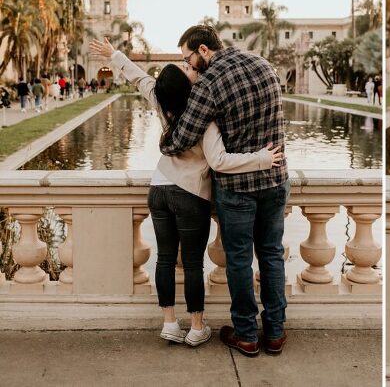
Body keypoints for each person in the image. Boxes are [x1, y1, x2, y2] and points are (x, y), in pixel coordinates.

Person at [90, 36, 283, 348]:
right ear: (188, 85)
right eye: (187, 69)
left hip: (159, 188)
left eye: (187, 63)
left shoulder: (160, 102)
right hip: (190, 193)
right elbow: (219, 160)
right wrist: (261, 158)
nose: (190, 68)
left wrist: (115, 55)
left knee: (165, 258)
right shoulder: (203, 115)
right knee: (195, 263)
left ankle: (169, 323)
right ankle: (196, 327)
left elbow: (139, 78)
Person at [159, 25, 289, 358]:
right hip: (276, 180)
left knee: (240, 261)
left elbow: (185, 135)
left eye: (188, 57)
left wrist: (164, 142)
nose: (188, 64)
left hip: (238, 190)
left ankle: (247, 334)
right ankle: (275, 332)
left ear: (203, 50)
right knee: (272, 255)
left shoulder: (209, 82)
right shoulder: (262, 63)